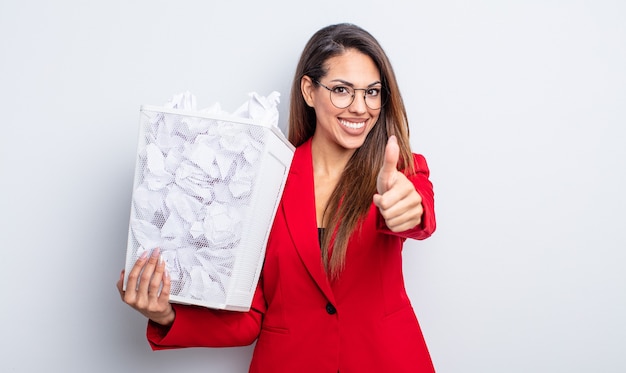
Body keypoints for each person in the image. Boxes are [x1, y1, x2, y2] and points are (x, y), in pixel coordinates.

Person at [117, 23, 436, 372]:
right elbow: (252, 315)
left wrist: (410, 209)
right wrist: (166, 314)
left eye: (372, 92)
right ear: (309, 91)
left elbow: (419, 209)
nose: (360, 107)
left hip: (386, 361)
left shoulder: (398, 172)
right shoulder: (261, 179)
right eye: (343, 90)